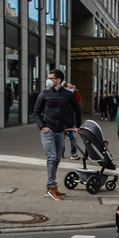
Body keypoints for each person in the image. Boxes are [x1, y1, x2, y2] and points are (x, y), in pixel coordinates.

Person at [33, 68, 82, 200]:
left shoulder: (68, 95)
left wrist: (77, 126)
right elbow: (36, 112)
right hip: (47, 131)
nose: (48, 80)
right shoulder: (44, 94)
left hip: (61, 131)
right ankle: (51, 186)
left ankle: (50, 188)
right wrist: (42, 127)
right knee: (52, 157)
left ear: (58, 80)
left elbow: (77, 110)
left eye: (50, 78)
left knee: (57, 158)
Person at [63, 83, 80, 160]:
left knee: (73, 138)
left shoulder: (72, 95)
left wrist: (77, 125)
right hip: (62, 122)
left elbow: (77, 109)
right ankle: (61, 153)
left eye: (72, 87)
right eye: (70, 87)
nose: (72, 89)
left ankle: (74, 153)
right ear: (65, 87)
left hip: (71, 121)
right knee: (61, 139)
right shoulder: (61, 96)